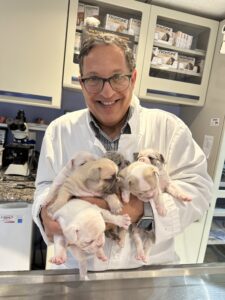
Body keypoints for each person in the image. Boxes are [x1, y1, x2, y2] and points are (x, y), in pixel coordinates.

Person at [32, 33, 213, 270]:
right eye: (94, 79)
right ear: (82, 83)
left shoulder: (169, 127)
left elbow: (199, 191)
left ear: (133, 78)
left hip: (148, 272)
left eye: (117, 78)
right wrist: (44, 215)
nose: (107, 93)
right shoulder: (59, 130)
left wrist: (139, 209)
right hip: (76, 270)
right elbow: (45, 187)